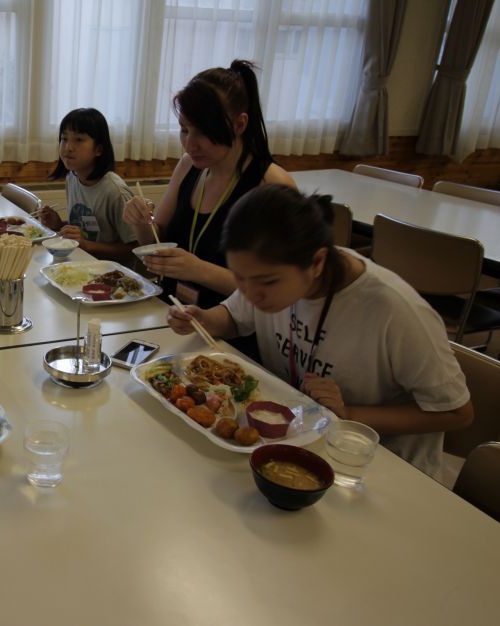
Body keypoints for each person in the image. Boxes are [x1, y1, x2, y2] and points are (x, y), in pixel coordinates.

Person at [167, 184, 473, 478]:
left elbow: (458, 412)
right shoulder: (267, 274)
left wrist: (348, 412)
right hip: (295, 442)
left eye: (267, 282)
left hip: (373, 465)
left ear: (317, 262)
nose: (250, 293)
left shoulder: (395, 311)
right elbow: (234, 318)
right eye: (239, 278)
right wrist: (203, 318)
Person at [123, 60, 296, 308]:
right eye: (184, 130)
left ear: (239, 124)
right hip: (173, 315)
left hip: (230, 335)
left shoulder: (271, 185)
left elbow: (281, 291)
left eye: (202, 132)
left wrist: (199, 270)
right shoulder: (188, 167)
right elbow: (154, 245)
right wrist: (140, 222)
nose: (190, 144)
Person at [36, 108, 138, 263]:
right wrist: (58, 224)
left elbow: (135, 250)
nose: (68, 147)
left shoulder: (114, 191)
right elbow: (86, 229)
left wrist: (87, 245)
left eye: (78, 140)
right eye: (64, 138)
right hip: (80, 263)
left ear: (99, 149)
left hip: (110, 275)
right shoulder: (72, 177)